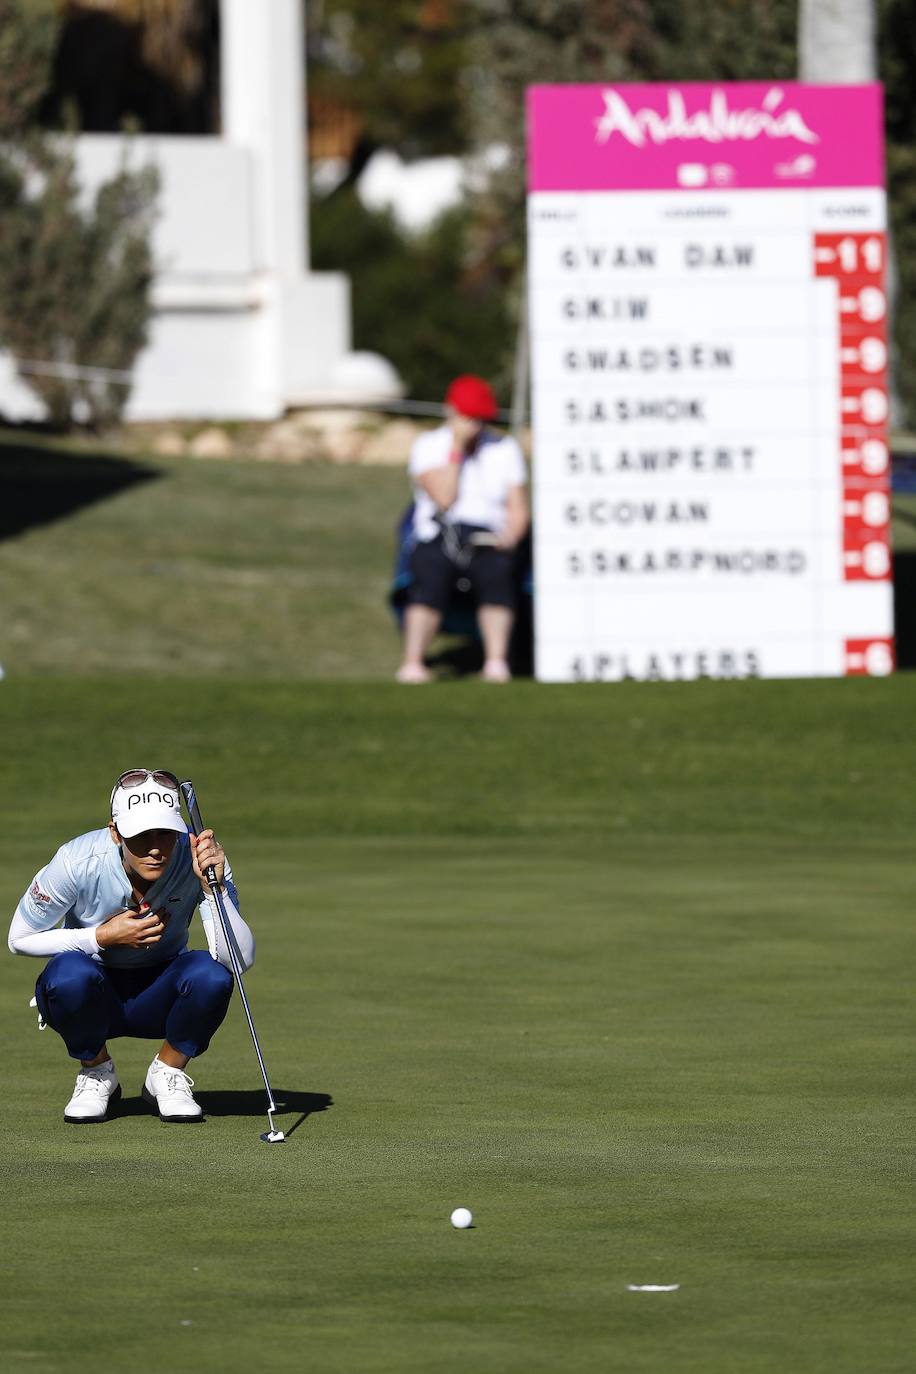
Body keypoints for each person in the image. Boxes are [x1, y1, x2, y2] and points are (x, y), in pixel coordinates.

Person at [7, 768, 254, 1126]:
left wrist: (211, 889)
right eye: (139, 836)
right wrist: (99, 938)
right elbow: (19, 939)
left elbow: (239, 961)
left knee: (211, 977)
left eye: (166, 833)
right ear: (115, 832)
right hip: (94, 991)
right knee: (66, 975)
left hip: (162, 990)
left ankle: (166, 1074)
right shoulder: (76, 860)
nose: (155, 848)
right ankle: (96, 1072)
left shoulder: (201, 857)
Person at [397, 374, 530, 684]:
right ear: (451, 412)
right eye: (469, 418)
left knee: (496, 575)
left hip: (489, 537)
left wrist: (511, 536)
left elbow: (518, 507)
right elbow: (444, 498)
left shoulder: (504, 449)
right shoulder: (428, 446)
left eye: (480, 419)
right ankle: (413, 663)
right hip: (441, 534)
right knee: (430, 575)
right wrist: (456, 449)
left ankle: (496, 663)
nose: (475, 426)